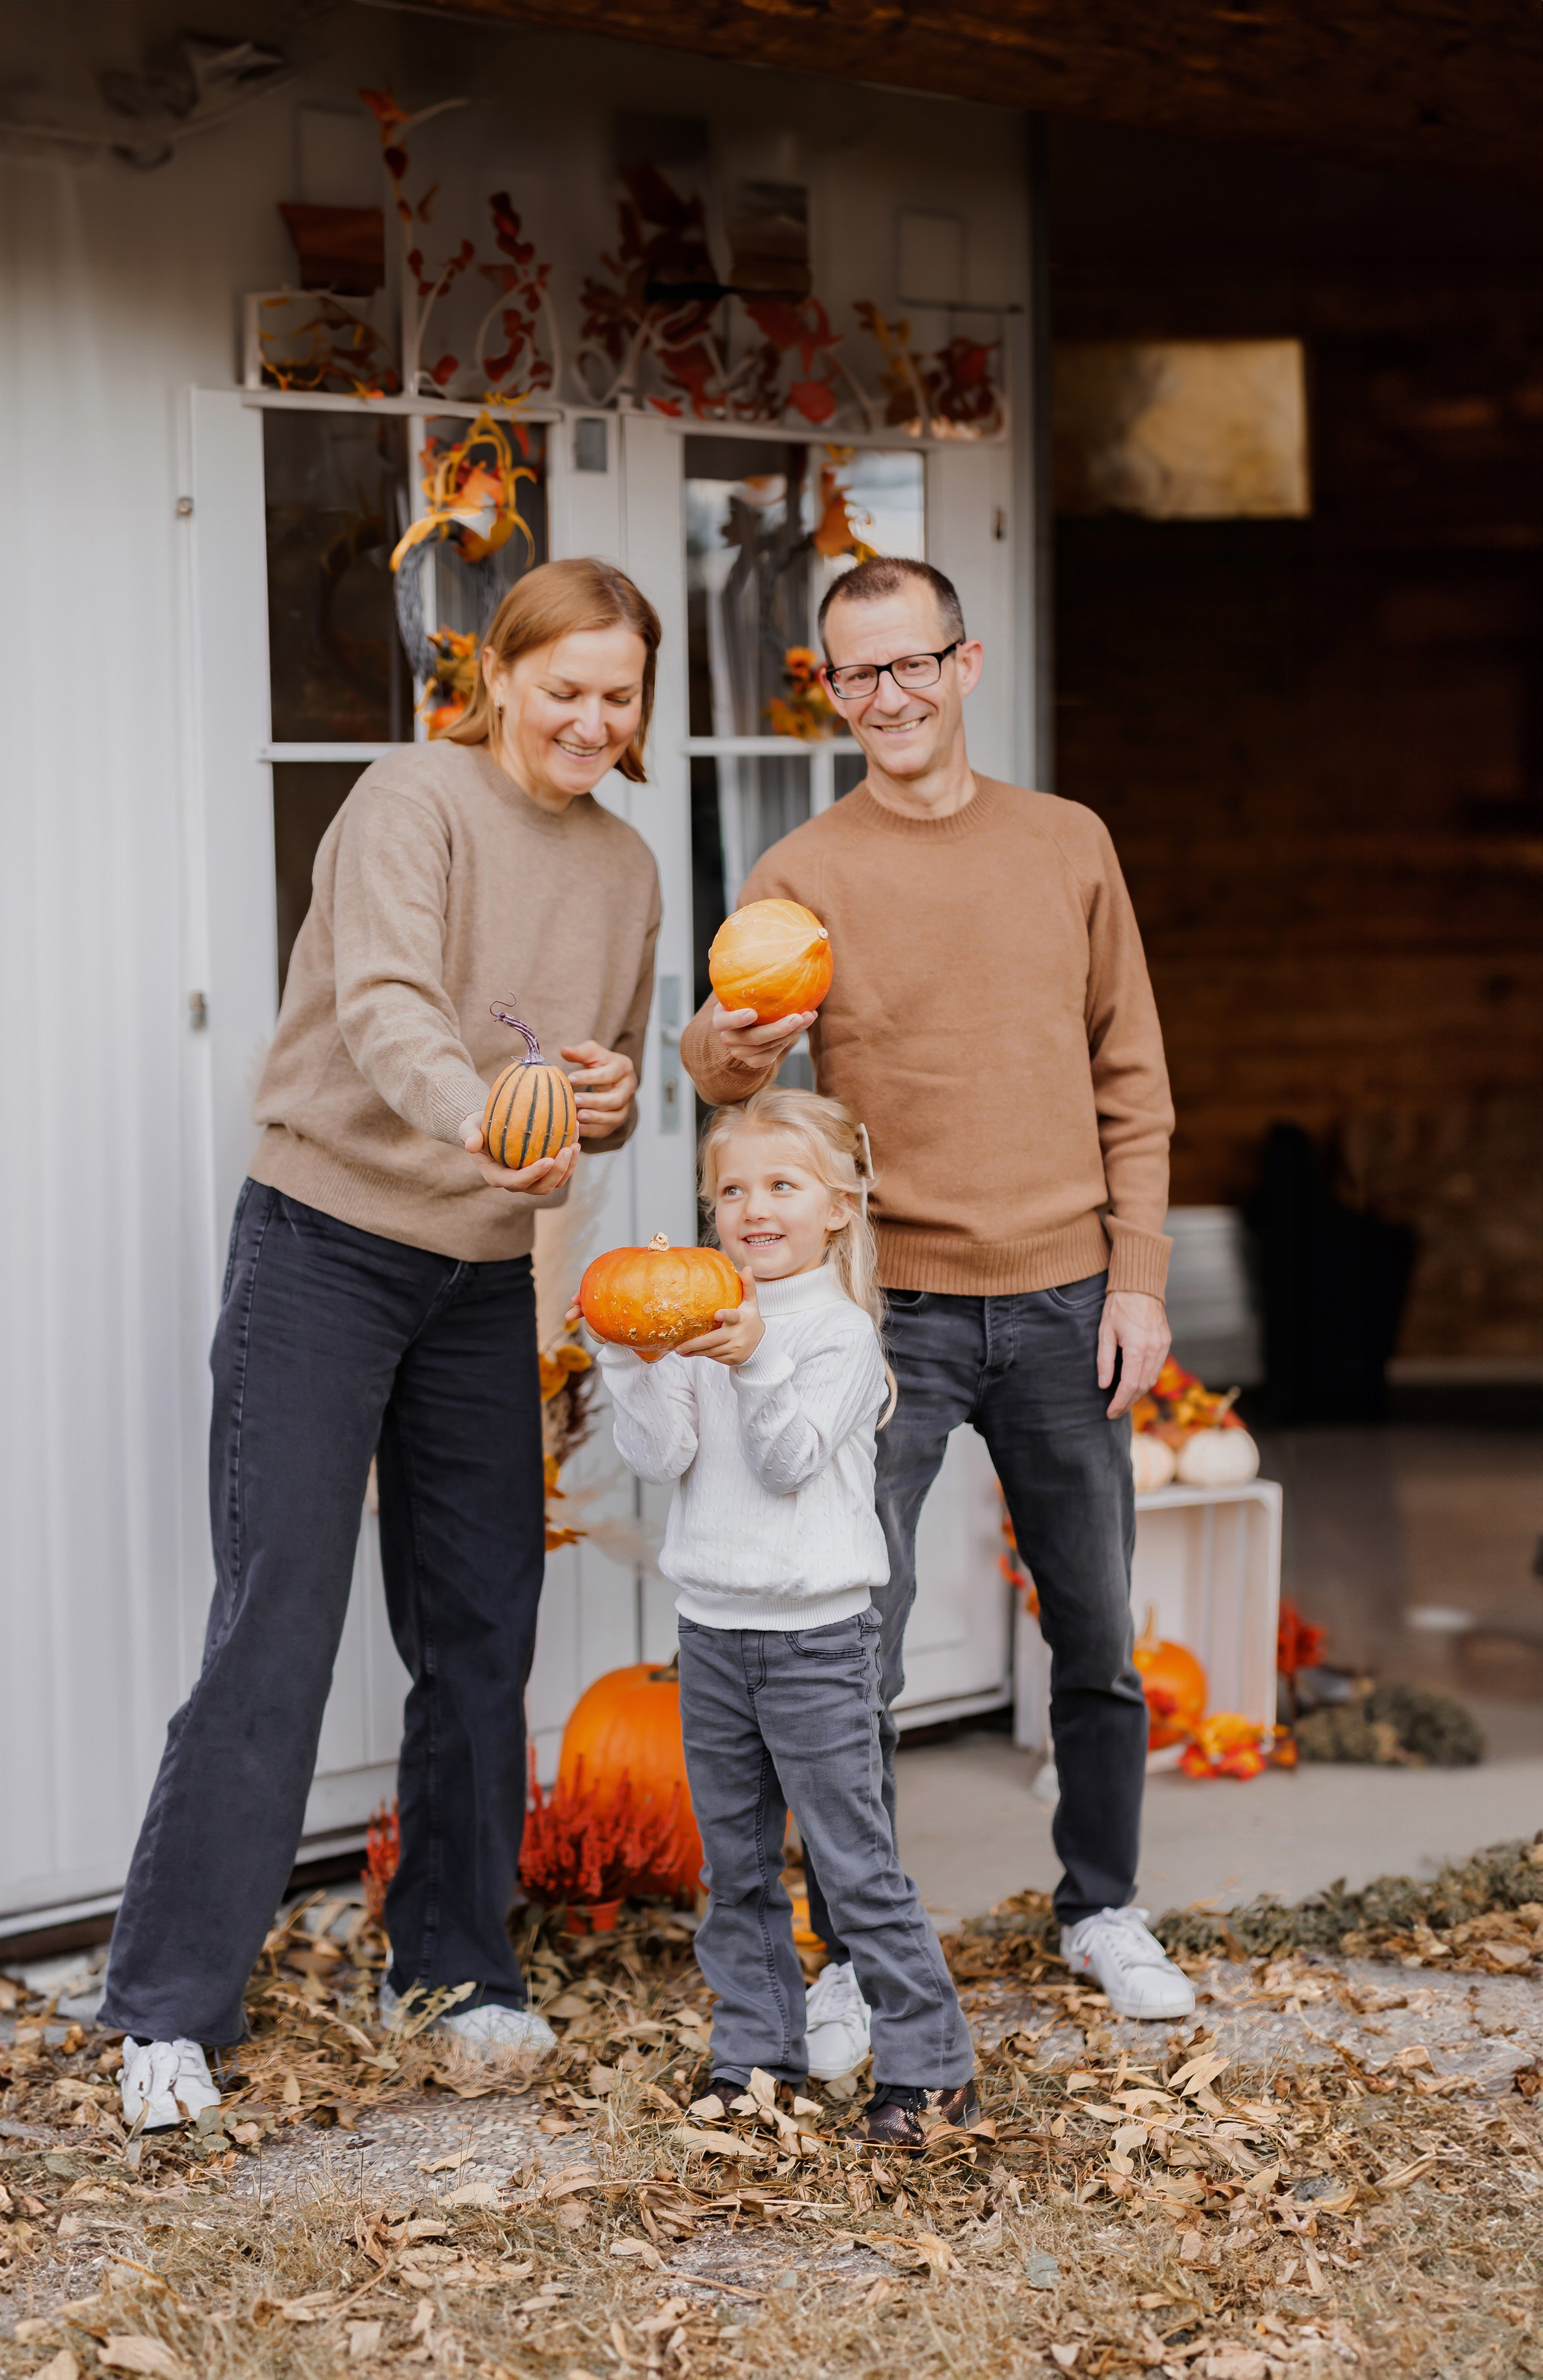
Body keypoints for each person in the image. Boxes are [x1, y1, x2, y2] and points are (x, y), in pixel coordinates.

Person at [99, 559, 665, 2129]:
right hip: (324, 1247)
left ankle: (455, 1966)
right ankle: (165, 2006)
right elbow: (388, 1010)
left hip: (479, 1274)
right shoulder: (408, 800)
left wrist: (587, 1112)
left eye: (618, 696)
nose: (588, 718)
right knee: (276, 1617)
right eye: (564, 688)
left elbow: (580, 1075)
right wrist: (498, 1114)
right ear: (501, 679)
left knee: (484, 1626)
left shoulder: (626, 868)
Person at [680, 554, 1193, 2051]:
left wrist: (1141, 1277)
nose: (889, 697)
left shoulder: (1066, 843)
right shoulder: (801, 875)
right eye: (859, 675)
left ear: (965, 667)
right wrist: (717, 1042)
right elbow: (730, 1077)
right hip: (880, 1318)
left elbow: (1134, 1080)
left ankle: (1100, 1902)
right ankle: (850, 1950)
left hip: (1063, 1296)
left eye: (914, 665)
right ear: (826, 691)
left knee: (1091, 1630)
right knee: (863, 1647)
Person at [575, 1087, 976, 2147]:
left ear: (839, 1205)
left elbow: (789, 1459)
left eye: (783, 1185)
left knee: (853, 1862)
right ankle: (755, 2056)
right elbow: (664, 1457)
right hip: (712, 1633)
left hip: (817, 1640)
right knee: (738, 1867)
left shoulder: (839, 1332)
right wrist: (630, 1357)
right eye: (733, 1189)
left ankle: (932, 2067)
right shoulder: (703, 1314)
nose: (754, 1207)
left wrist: (751, 1357)